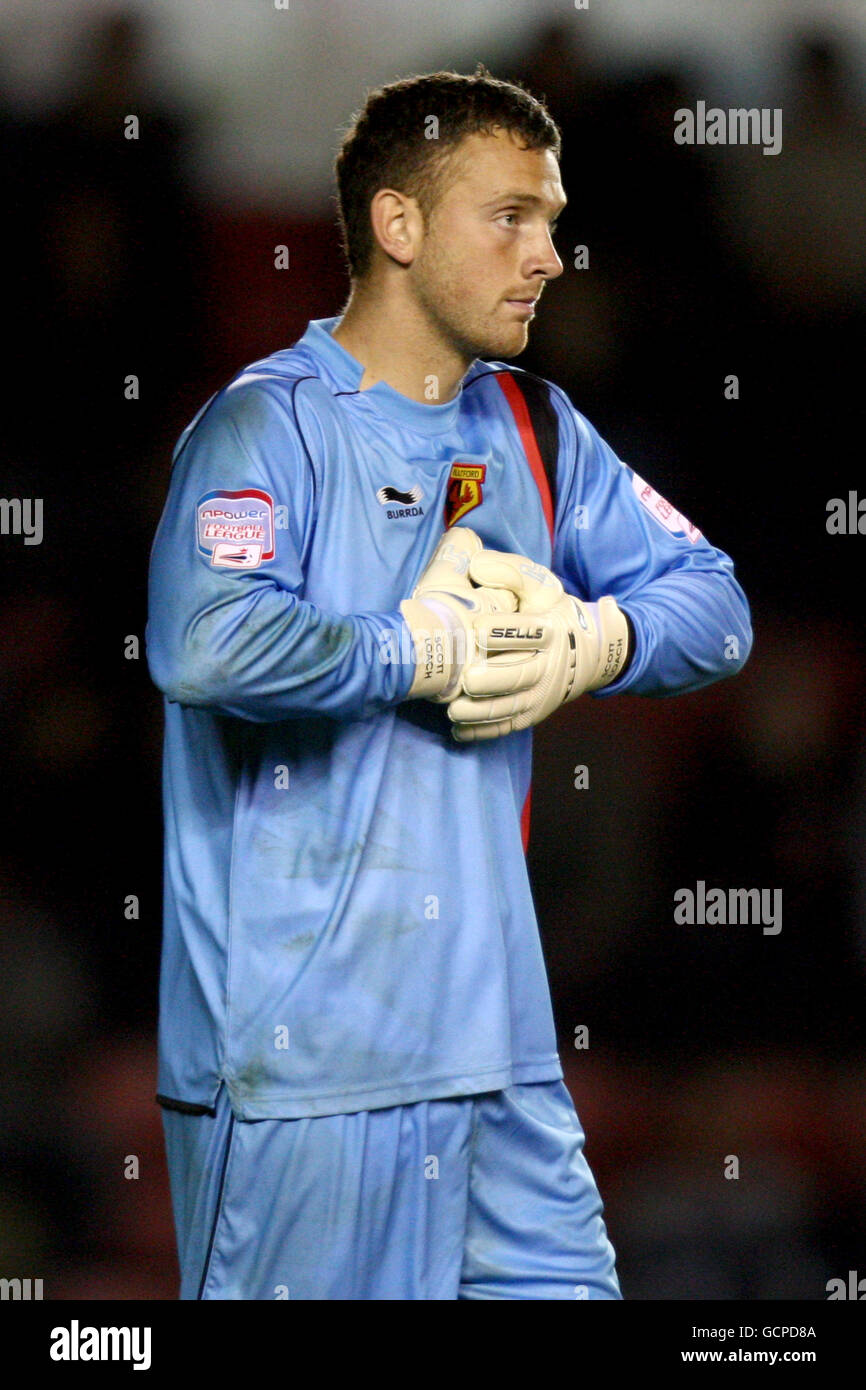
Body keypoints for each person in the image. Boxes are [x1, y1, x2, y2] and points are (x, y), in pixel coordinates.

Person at [146, 66, 752, 1300]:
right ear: (400, 226)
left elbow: (718, 607)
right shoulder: (269, 429)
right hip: (303, 1071)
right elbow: (205, 642)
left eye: (554, 221)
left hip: (499, 1062)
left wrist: (594, 639)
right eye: (511, 217)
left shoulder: (536, 429)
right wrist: (412, 649)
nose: (549, 256)